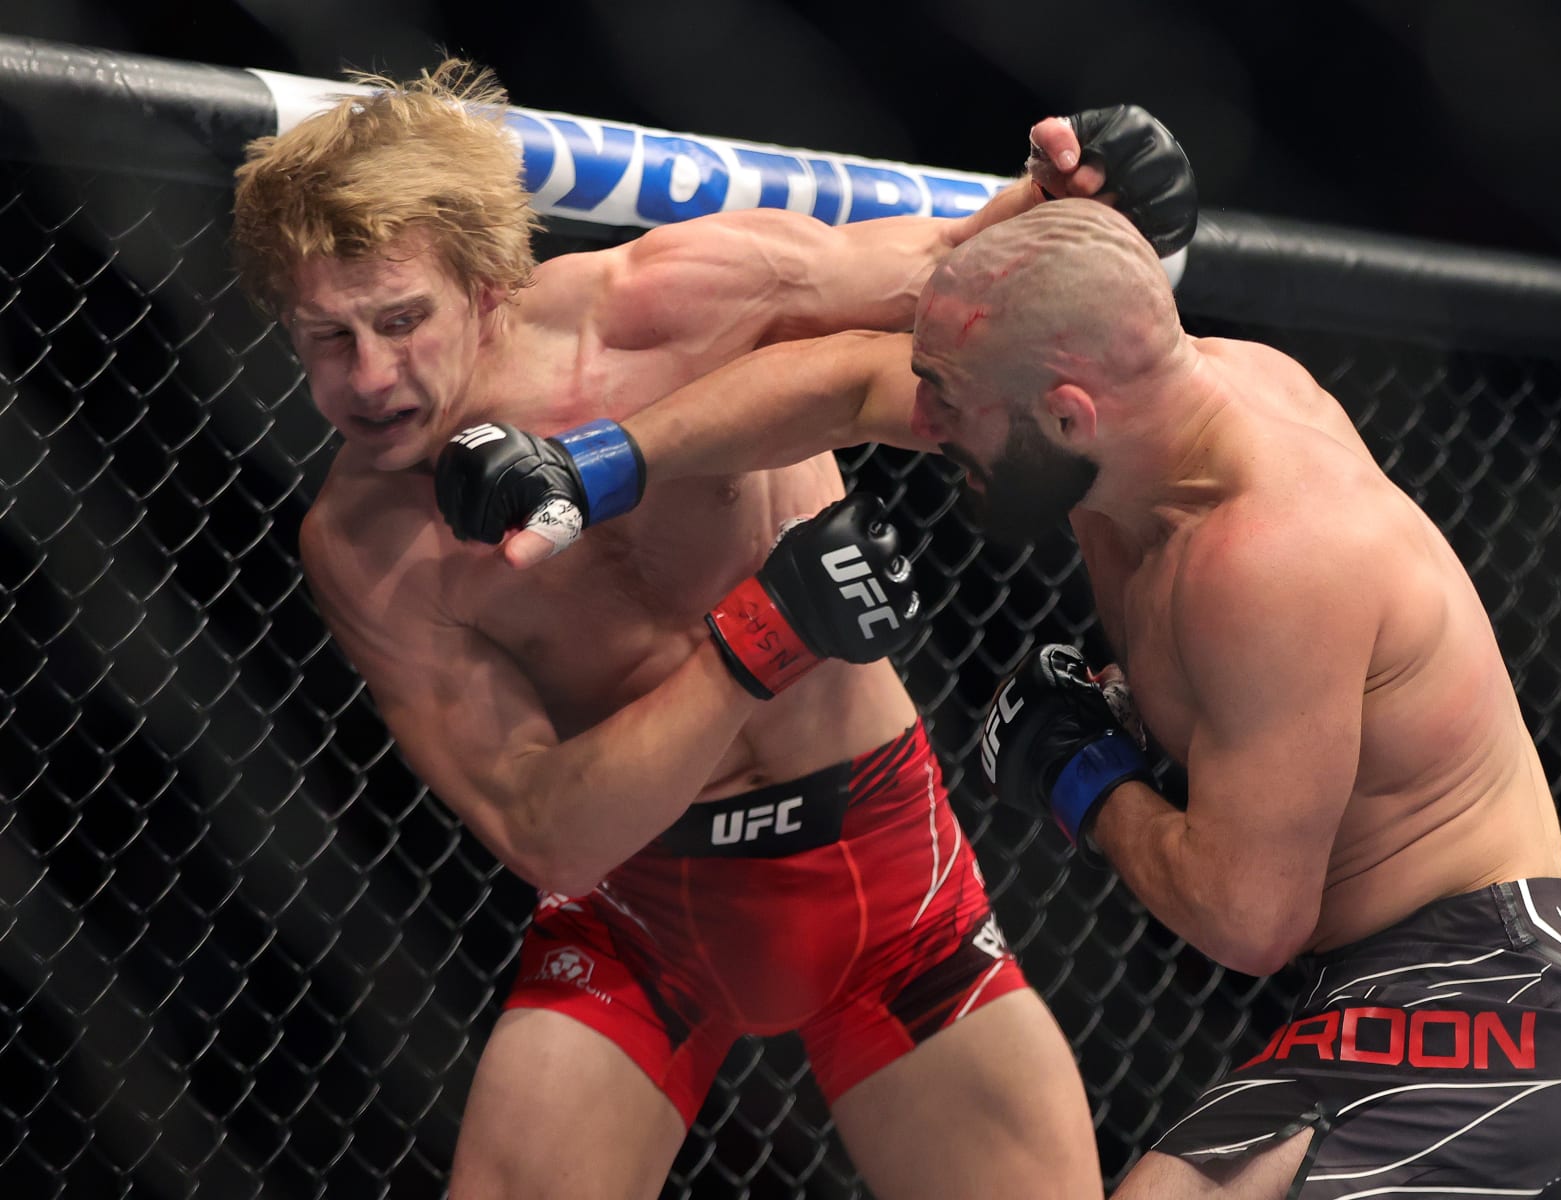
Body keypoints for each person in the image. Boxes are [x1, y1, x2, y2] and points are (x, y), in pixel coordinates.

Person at [479, 197, 1561, 1197]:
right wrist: (593, 469)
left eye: (948, 402)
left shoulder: (1268, 556)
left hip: (1498, 1014)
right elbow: (841, 386)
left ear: (1064, 415)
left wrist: (1081, 769)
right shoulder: (1154, 427)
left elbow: (1250, 919)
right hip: (1394, 1002)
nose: (924, 423)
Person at [232, 57, 1199, 1200]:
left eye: (400, 321)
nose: (371, 377)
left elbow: (954, 280)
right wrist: (765, 635)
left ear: (489, 285)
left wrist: (1082, 196)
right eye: (324, 340)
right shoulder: (362, 543)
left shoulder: (679, 296)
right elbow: (545, 831)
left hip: (883, 873)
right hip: (645, 911)